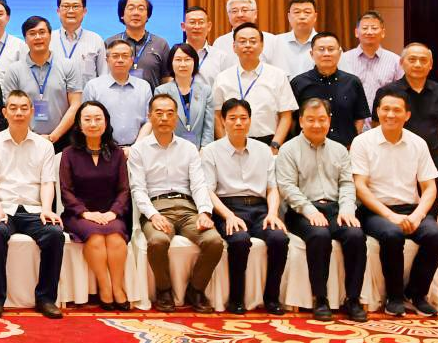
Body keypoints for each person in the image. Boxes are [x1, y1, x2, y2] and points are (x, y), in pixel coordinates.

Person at [351, 92, 438, 316]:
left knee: (437, 237)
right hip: (375, 210)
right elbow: (360, 187)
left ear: (407, 115)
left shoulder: (418, 143)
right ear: (377, 112)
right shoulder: (363, 142)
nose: (390, 114)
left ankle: (416, 294)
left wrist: (417, 215)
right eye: (385, 109)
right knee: (392, 234)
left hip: (410, 209)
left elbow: (430, 188)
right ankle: (394, 297)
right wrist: (390, 216)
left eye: (397, 110)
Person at [274, 98, 367, 322]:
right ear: (301, 121)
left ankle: (353, 299)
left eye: (322, 119)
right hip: (302, 211)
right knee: (319, 235)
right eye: (311, 120)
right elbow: (287, 187)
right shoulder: (288, 149)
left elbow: (347, 184)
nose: (317, 125)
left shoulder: (340, 150)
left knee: (356, 235)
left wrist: (347, 209)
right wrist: (309, 211)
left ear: (329, 120)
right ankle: (321, 298)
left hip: (335, 209)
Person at [128, 94, 222, 313]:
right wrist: (153, 215)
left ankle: (196, 290)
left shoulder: (188, 148)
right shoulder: (139, 150)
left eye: (170, 113)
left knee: (214, 241)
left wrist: (204, 212)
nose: (164, 118)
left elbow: (199, 184)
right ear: (149, 116)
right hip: (157, 208)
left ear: (176, 117)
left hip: (188, 209)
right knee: (157, 241)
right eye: (159, 113)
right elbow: (138, 189)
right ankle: (164, 290)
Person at [0, 89, 65, 319]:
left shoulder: (44, 146)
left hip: (34, 209)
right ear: (4, 112)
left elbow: (47, 183)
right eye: (13, 108)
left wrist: (46, 209)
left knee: (55, 234)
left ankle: (46, 298)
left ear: (32, 111)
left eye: (24, 108)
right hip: (1, 206)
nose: (19, 113)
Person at [202, 99, 289, 315]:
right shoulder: (211, 151)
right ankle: (236, 299)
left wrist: (272, 213)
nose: (239, 123)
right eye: (232, 118)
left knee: (279, 239)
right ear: (223, 121)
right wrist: (228, 215)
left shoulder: (264, 150)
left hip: (260, 209)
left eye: (243, 118)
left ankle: (272, 298)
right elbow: (208, 191)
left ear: (250, 120)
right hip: (227, 208)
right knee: (239, 240)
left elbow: (272, 188)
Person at [59, 100, 131, 310]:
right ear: (79, 125)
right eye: (87, 119)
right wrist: (85, 214)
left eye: (98, 119)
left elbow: (124, 189)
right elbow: (66, 191)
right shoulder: (69, 154)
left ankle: (118, 288)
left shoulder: (117, 153)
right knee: (96, 237)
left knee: (116, 238)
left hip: (111, 213)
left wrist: (113, 212)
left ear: (106, 122)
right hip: (79, 215)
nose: (93, 124)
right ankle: (104, 288)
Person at [375, 43, 438, 219]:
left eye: (423, 60)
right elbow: (378, 123)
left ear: (430, 65)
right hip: (395, 158)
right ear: (402, 62)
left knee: (431, 212)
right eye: (412, 59)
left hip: (432, 159)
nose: (418, 64)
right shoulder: (387, 92)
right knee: (397, 211)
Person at [211, 23, 297, 151]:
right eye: (242, 41)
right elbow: (216, 115)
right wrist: (225, 145)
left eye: (253, 41)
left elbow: (286, 115)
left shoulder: (278, 76)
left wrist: (275, 145)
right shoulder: (222, 78)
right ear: (234, 47)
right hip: (231, 143)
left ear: (262, 46)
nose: (247, 45)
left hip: (268, 143)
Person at [1, 16, 83, 143]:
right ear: (25, 39)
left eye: (42, 32)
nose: (38, 37)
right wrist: (31, 136)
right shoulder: (14, 70)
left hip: (64, 138)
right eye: (32, 33)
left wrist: (54, 136)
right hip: (25, 139)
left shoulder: (68, 65)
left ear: (50, 36)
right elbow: (11, 107)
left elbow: (76, 104)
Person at [289, 32, 369, 147]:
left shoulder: (353, 82)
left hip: (345, 149)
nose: (326, 53)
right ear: (312, 54)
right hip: (307, 148)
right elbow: (292, 120)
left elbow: (359, 118)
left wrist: (351, 144)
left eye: (331, 49)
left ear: (340, 53)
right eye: (321, 49)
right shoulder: (298, 83)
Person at [82, 40, 151, 147]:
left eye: (125, 56)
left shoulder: (144, 87)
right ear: (107, 60)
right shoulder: (93, 86)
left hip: (136, 149)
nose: (120, 60)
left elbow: (149, 121)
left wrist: (135, 148)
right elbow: (86, 120)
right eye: (115, 56)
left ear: (132, 60)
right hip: (102, 148)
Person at [338, 10, 403, 112]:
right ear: (356, 32)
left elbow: (401, 94)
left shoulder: (395, 61)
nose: (369, 32)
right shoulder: (343, 59)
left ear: (383, 33)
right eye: (365, 28)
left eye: (374, 28)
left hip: (384, 118)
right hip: (351, 117)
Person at [153, 43, 216, 149]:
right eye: (178, 60)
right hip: (170, 149)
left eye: (187, 59)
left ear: (195, 62)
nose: (183, 64)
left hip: (199, 151)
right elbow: (160, 126)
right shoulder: (161, 91)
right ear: (171, 63)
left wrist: (204, 150)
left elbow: (208, 127)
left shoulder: (206, 91)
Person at [106, 0, 172, 86]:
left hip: (152, 95)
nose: (136, 13)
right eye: (131, 8)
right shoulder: (110, 43)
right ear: (122, 15)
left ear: (148, 15)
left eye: (141, 9)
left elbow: (167, 78)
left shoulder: (161, 44)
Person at [207, 0, 285, 70]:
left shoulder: (272, 40)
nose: (240, 15)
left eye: (244, 10)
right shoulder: (220, 42)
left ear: (255, 14)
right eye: (234, 11)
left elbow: (279, 71)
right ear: (228, 15)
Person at [50, 0, 106, 86]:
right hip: (53, 95)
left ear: (84, 11)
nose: (71, 11)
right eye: (66, 6)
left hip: (86, 95)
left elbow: (104, 76)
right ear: (58, 11)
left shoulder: (96, 39)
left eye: (75, 6)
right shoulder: (48, 39)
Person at [181, 5, 230, 83]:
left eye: (201, 22)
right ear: (183, 26)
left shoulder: (221, 57)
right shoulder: (174, 55)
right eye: (192, 22)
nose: (197, 27)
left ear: (209, 26)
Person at [278, 0, 319, 77]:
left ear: (315, 17)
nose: (302, 16)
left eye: (307, 12)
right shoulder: (276, 42)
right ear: (289, 17)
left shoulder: (327, 44)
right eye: (297, 12)